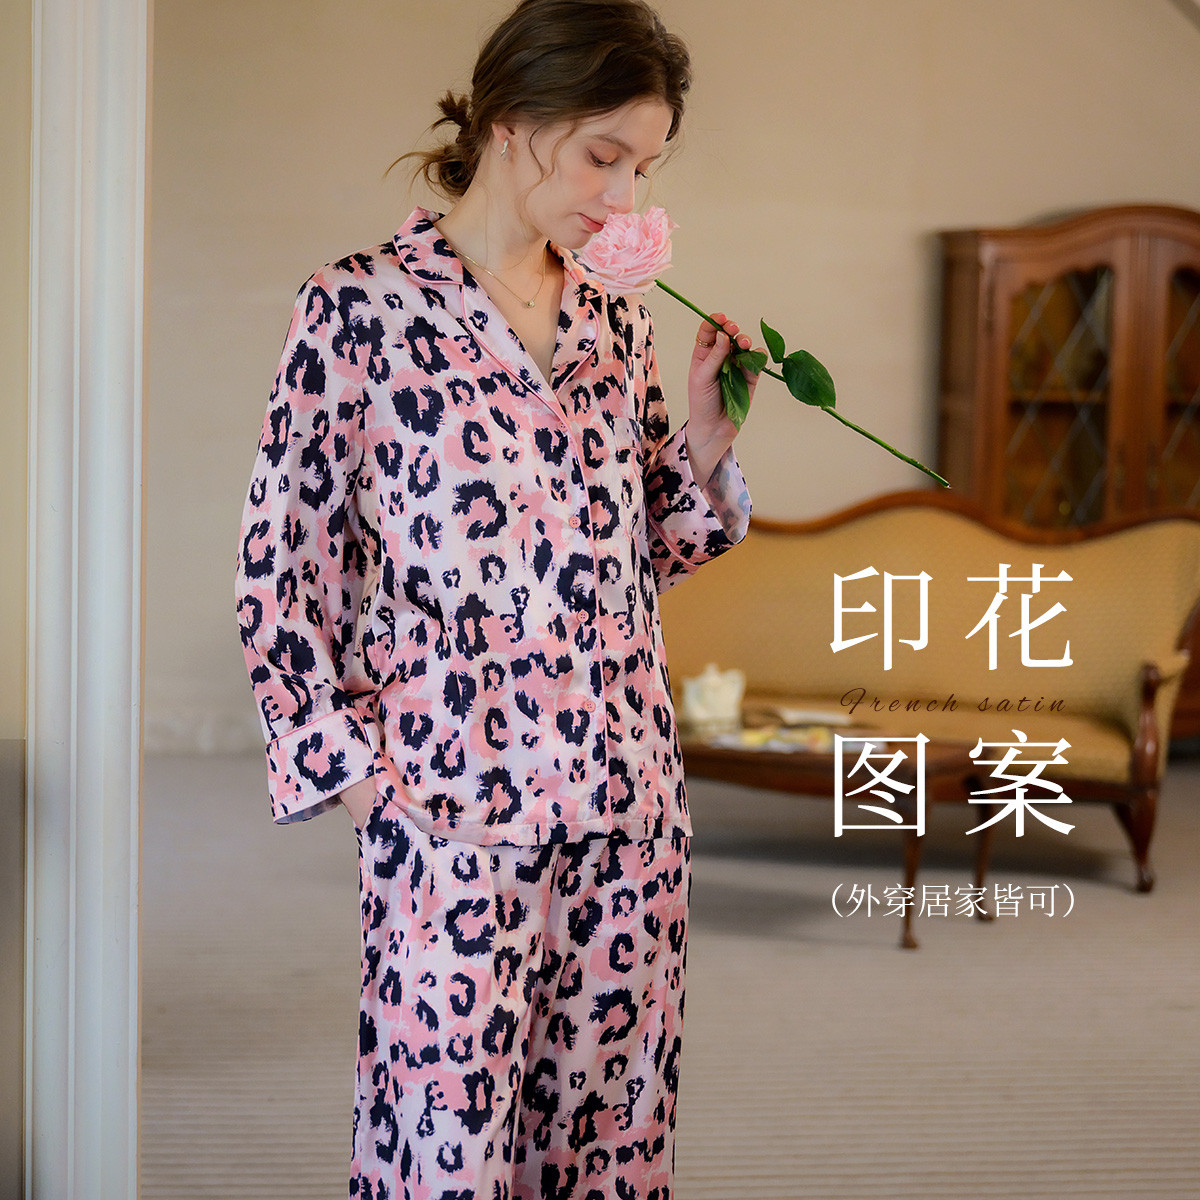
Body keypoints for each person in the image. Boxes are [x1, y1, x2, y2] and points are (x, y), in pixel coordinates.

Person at [235, 1, 759, 1195]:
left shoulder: (618, 319)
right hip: (450, 804)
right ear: (513, 123)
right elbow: (284, 565)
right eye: (603, 156)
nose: (623, 197)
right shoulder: (358, 309)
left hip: (626, 797)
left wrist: (705, 439)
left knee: (607, 1140)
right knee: (446, 1146)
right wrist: (362, 784)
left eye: (645, 168)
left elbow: (644, 553)